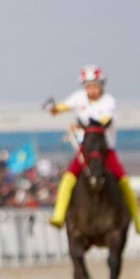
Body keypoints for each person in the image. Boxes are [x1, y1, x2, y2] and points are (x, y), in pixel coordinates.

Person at [47, 64, 140, 233]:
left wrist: (83, 126)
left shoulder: (109, 101)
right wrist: (54, 109)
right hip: (86, 150)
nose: (92, 89)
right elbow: (65, 106)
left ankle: (137, 219)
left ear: (102, 85)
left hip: (105, 150)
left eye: (95, 85)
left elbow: (105, 120)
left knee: (124, 180)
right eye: (89, 86)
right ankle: (59, 216)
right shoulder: (79, 98)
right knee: (68, 178)